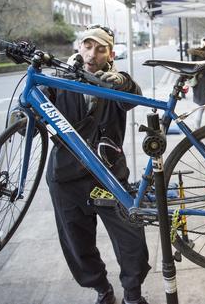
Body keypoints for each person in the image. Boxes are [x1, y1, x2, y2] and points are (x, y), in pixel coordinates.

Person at [44, 25, 151, 304]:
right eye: (88, 45)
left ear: (111, 53)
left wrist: (121, 81)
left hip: (109, 176)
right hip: (65, 177)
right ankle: (102, 289)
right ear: (79, 47)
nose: (93, 53)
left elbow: (134, 92)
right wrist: (23, 117)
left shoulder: (115, 80)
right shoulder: (59, 80)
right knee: (77, 244)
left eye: (100, 48)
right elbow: (32, 119)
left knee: (131, 239)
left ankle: (132, 294)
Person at [187, 38, 205, 129]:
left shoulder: (200, 57)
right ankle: (201, 128)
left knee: (204, 108)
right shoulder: (203, 59)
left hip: (201, 86)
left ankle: (199, 128)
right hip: (204, 86)